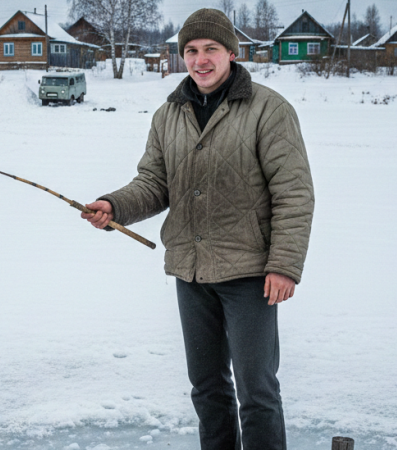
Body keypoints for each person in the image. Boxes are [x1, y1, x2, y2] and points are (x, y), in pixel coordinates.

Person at [81, 8, 313, 450]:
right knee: (207, 390)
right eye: (191, 50)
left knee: (257, 392)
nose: (200, 60)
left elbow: (294, 194)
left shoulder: (269, 110)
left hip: (250, 275)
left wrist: (284, 265)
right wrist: (114, 205)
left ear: (231, 52)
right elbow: (154, 183)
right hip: (191, 273)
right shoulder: (169, 114)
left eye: (210, 50)